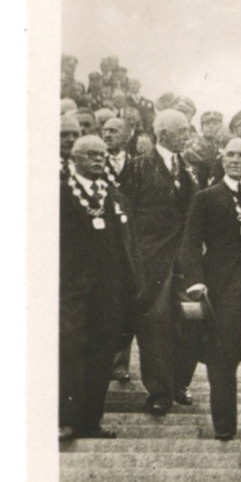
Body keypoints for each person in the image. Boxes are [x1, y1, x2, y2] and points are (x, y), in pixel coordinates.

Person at [178, 137, 241, 441]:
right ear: (223, 161)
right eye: (230, 155)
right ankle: (224, 424)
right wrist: (195, 281)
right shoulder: (207, 198)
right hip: (220, 285)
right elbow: (190, 244)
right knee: (222, 355)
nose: (235, 160)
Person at [60, 135, 142, 441]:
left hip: (109, 292)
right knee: (69, 351)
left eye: (102, 155)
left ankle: (91, 422)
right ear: (75, 159)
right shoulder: (60, 194)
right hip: (70, 290)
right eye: (91, 154)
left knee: (100, 355)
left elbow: (129, 246)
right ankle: (66, 419)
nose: (98, 160)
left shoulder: (117, 198)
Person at [120, 108, 201, 417]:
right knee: (155, 325)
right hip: (151, 261)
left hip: (185, 259)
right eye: (182, 129)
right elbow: (126, 216)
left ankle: (179, 382)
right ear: (162, 133)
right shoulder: (138, 168)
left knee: (192, 321)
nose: (187, 134)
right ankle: (159, 391)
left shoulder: (190, 167)